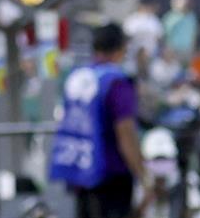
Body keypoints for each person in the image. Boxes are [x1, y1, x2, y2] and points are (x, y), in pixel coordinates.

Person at [49, 23, 148, 218]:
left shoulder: (77, 77)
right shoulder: (117, 82)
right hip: (111, 173)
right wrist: (142, 174)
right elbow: (125, 131)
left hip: (79, 168)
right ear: (121, 49)